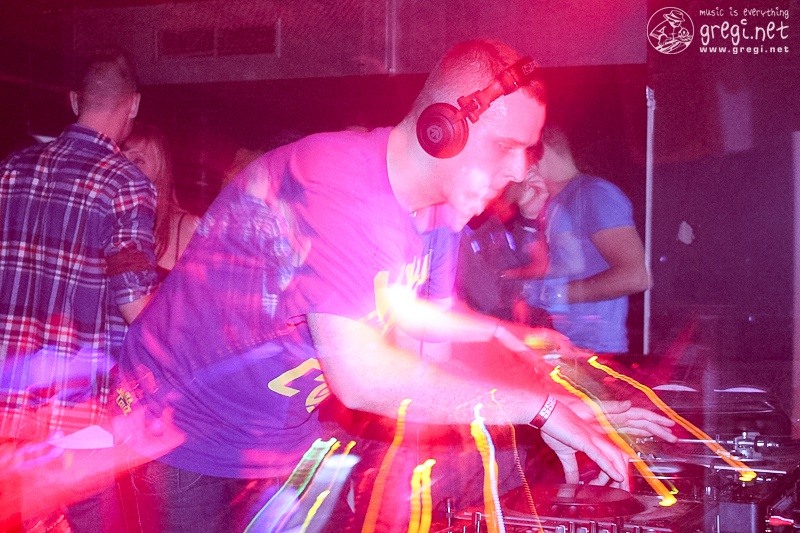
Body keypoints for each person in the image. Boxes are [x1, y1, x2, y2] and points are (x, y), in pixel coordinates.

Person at [113, 39, 675, 532]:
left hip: (273, 439)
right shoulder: (335, 185)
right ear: (442, 129)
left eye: (527, 151)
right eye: (506, 146)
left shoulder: (439, 212)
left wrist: (550, 384)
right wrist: (539, 408)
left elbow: (422, 336)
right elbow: (363, 378)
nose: (519, 170)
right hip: (178, 432)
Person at [0, 47, 158, 531]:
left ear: (74, 100)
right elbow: (134, 304)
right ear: (133, 104)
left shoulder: (9, 171)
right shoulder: (125, 184)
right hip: (76, 411)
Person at [529, 124, 650, 355]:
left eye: (524, 150)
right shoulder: (550, 204)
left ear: (542, 149)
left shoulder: (594, 194)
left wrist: (552, 294)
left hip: (595, 351)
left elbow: (636, 277)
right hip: (559, 347)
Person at [456, 164, 551, 327]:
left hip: (505, 326)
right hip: (480, 329)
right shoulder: (460, 228)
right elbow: (487, 299)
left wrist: (530, 217)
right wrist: (510, 280)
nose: (527, 186)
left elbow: (537, 267)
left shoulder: (495, 223)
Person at [122, 122, 200, 280]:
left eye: (138, 161)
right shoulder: (106, 223)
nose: (125, 169)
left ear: (160, 169)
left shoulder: (187, 228)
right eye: (120, 160)